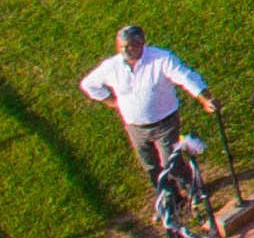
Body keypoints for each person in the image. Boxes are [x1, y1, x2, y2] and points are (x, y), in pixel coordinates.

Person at [82, 25, 216, 183]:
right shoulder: (111, 66)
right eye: (121, 46)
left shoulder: (161, 59)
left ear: (141, 43)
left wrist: (205, 99)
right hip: (135, 128)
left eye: (129, 46)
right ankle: (169, 195)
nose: (125, 51)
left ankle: (192, 188)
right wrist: (112, 102)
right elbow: (89, 84)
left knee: (171, 163)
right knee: (150, 167)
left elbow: (186, 78)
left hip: (165, 124)